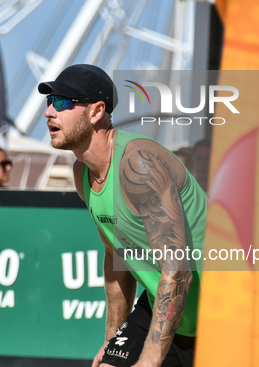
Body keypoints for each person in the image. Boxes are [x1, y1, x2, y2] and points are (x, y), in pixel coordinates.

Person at [39, 64, 206, 367]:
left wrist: (150, 359)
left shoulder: (139, 164)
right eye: (48, 102)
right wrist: (112, 341)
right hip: (166, 310)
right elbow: (116, 258)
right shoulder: (83, 175)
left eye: (62, 102)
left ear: (96, 111)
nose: (50, 111)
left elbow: (178, 269)